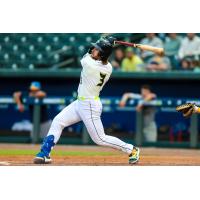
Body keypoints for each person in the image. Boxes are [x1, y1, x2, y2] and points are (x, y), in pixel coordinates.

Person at [33, 36, 140, 165]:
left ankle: (131, 150)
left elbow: (87, 54)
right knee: (58, 121)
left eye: (97, 49)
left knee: (100, 139)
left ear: (102, 54)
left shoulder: (89, 64)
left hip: (89, 105)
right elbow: (98, 54)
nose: (94, 49)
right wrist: (105, 44)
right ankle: (45, 153)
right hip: (80, 103)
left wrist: (104, 43)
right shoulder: (109, 67)